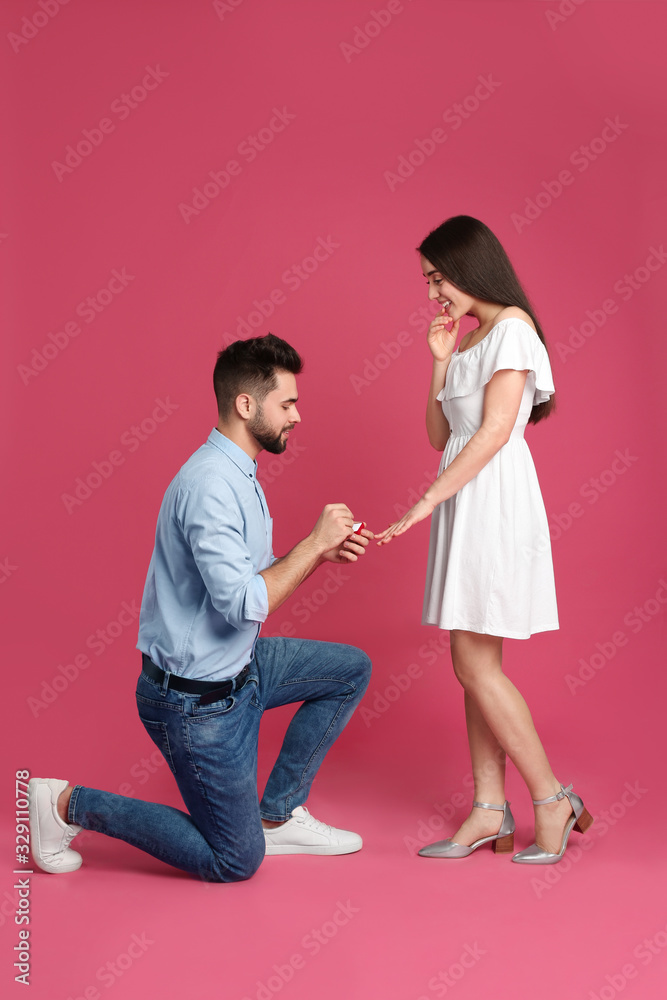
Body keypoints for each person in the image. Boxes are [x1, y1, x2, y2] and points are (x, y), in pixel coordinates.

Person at [29, 334, 373, 882]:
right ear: (246, 404)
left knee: (349, 670)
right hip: (196, 704)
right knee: (234, 860)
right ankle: (65, 804)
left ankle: (278, 815)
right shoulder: (211, 485)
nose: (298, 416)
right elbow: (243, 605)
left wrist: (320, 555)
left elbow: (254, 582)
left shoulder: (240, 473)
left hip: (242, 669)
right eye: (287, 404)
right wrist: (312, 543)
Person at [377, 215, 592, 864]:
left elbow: (496, 431)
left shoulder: (514, 331)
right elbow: (440, 436)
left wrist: (427, 499)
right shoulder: (470, 341)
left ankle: (551, 798)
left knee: (473, 665)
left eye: (437, 278)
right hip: (464, 498)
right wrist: (439, 363)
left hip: (491, 503)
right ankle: (490, 808)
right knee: (474, 666)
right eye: (426, 282)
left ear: (471, 268)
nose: (431, 294)